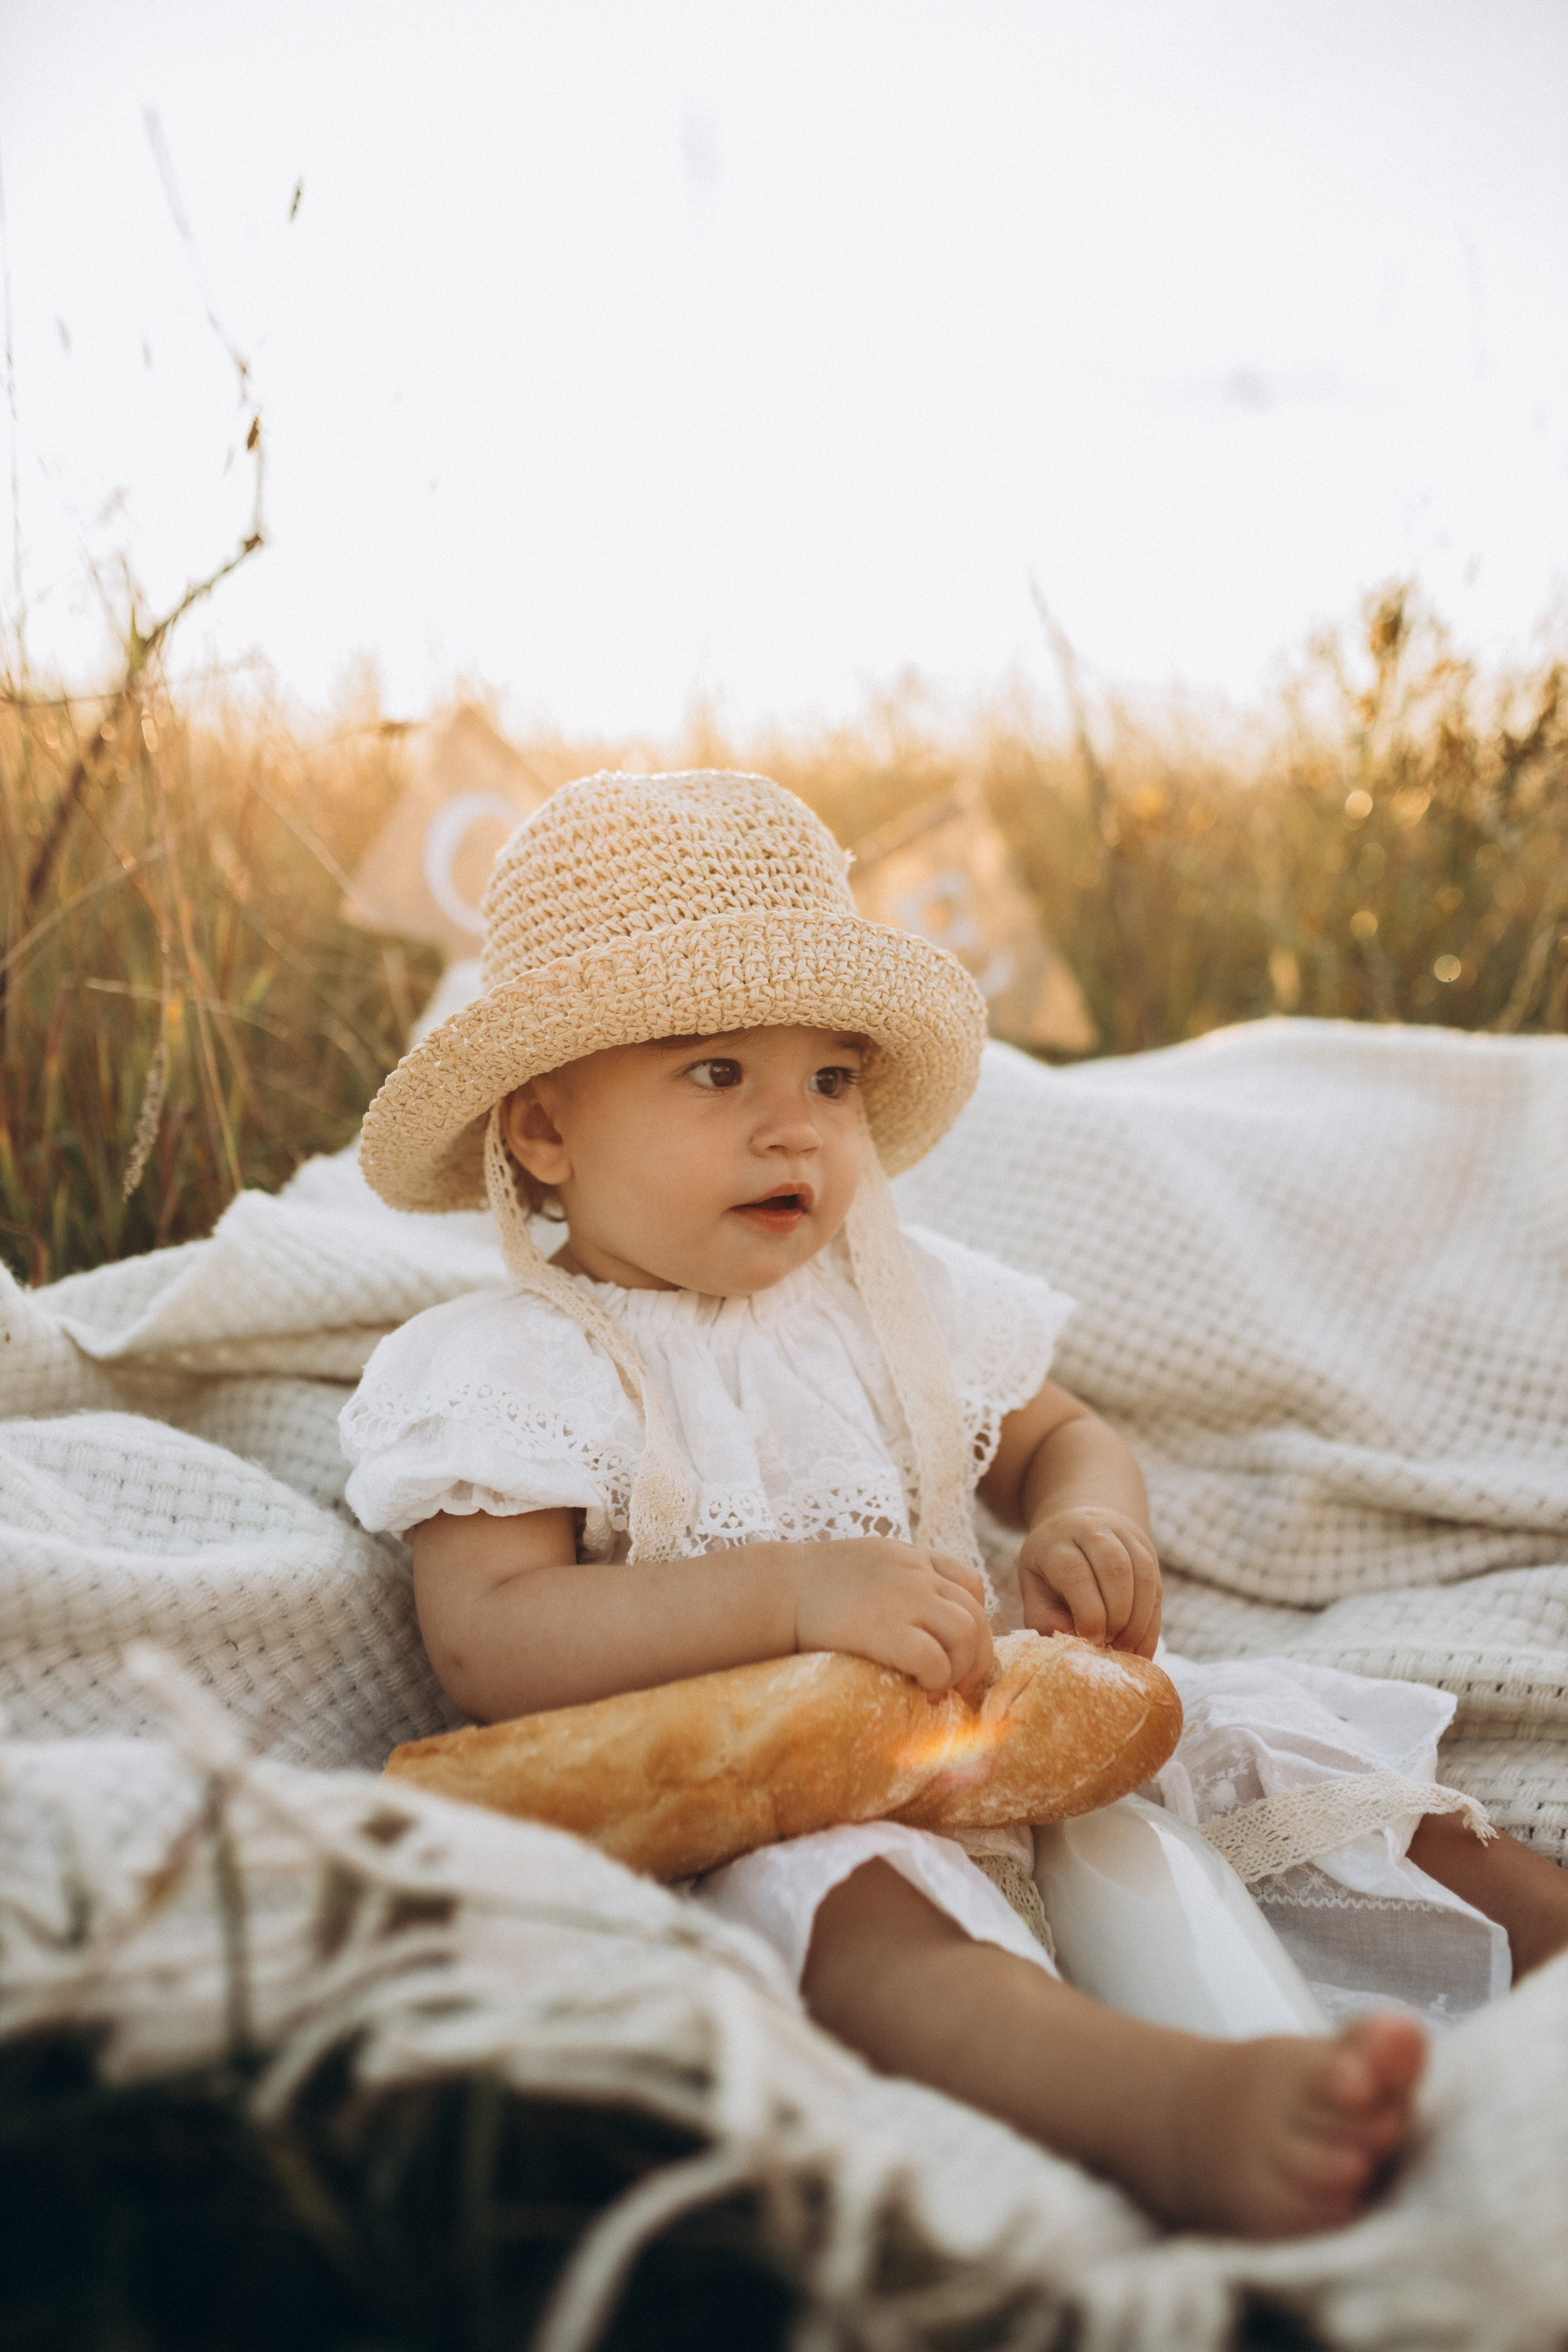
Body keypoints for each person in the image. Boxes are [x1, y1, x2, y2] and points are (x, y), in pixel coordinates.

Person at [342, 769, 1568, 2239]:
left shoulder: (888, 1303)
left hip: (995, 1711)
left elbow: (1059, 1436)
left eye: (830, 1080)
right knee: (860, 1926)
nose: (795, 1132)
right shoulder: (518, 1365)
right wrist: (788, 1595)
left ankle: (1540, 1934)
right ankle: (1171, 2109)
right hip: (770, 1800)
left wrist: (1083, 1524)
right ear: (544, 1131)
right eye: (718, 1074)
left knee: (1269, 1734)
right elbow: (486, 1635)